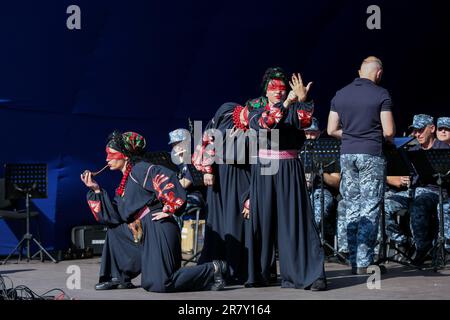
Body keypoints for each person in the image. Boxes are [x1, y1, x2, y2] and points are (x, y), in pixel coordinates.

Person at [80, 131, 227, 292]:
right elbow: (115, 216)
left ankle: (213, 269)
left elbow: (165, 176)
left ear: (125, 156)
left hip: (159, 226)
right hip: (144, 229)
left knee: (160, 283)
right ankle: (118, 276)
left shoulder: (140, 169)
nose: (107, 158)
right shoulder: (125, 181)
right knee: (116, 230)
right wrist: (96, 190)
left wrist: (171, 208)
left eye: (112, 154)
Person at [246, 67, 326, 291]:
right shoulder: (255, 107)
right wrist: (289, 103)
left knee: (295, 219)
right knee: (262, 220)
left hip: (289, 165)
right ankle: (261, 272)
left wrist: (303, 99)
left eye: (282, 89)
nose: (279, 92)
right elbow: (267, 124)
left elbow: (306, 122)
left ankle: (306, 274)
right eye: (273, 88)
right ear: (266, 91)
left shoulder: (293, 106)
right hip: (264, 165)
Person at [327, 56, 395, 275]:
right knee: (370, 207)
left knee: (352, 205)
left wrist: (352, 135)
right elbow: (389, 131)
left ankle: (354, 259)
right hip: (370, 155)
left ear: (359, 72)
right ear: (378, 73)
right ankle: (364, 263)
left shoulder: (340, 94)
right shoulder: (381, 94)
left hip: (347, 155)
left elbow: (331, 130)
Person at [192, 101, 253, 285]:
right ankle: (214, 267)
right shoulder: (226, 111)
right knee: (217, 221)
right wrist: (207, 168)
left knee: (238, 220)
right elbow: (207, 137)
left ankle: (237, 270)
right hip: (220, 177)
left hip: (244, 177)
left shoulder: (259, 125)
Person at [383, 114, 450, 265]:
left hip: (435, 192)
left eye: (421, 130)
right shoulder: (411, 150)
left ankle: (422, 248)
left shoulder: (444, 149)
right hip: (414, 190)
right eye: (415, 131)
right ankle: (404, 242)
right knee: (383, 205)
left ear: (431, 129)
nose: (417, 134)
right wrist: (402, 179)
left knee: (419, 200)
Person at [303, 118, 341, 252]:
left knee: (317, 215)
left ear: (319, 133)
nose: (309, 136)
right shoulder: (297, 151)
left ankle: (313, 249)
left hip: (321, 190)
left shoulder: (329, 151)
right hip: (299, 191)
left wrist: (320, 173)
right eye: (306, 132)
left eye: (312, 133)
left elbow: (337, 182)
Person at [436, 117, 450, 251]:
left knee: (444, 207)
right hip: (438, 192)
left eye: (447, 129)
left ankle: (447, 247)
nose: (443, 132)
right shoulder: (430, 150)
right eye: (441, 129)